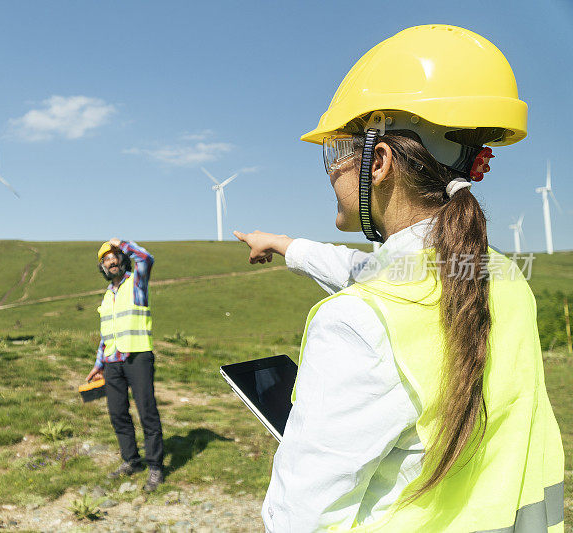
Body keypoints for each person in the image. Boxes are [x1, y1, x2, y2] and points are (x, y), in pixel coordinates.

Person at [234, 25, 564, 532]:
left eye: (336, 151)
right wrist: (284, 245)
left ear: (379, 162)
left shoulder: (359, 322)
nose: (329, 172)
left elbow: (301, 519)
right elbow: (371, 271)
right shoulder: (501, 278)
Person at [86, 238, 165, 492]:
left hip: (138, 356)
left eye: (115, 256)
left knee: (147, 412)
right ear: (102, 267)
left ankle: (155, 467)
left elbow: (147, 259)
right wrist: (99, 364)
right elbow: (106, 333)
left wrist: (123, 243)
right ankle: (131, 460)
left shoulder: (137, 283)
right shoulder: (107, 296)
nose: (111, 261)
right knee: (117, 413)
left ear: (123, 259)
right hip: (112, 362)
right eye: (106, 259)